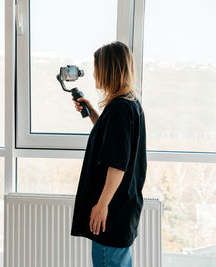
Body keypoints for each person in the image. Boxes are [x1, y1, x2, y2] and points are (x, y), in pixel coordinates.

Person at [70, 41, 147, 267]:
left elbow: (117, 164)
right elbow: (113, 143)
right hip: (124, 208)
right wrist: (94, 113)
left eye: (97, 67)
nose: (94, 72)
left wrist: (102, 205)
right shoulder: (130, 104)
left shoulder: (119, 110)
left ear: (107, 69)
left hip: (112, 213)